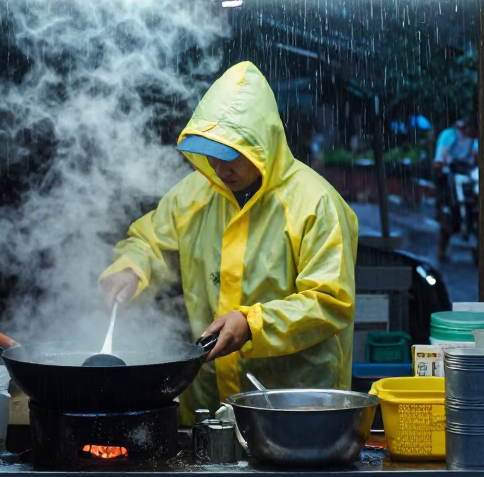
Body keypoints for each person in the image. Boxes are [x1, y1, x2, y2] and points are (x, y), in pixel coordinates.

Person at [99, 62, 358, 422]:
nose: (221, 170)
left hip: (294, 408)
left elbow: (330, 301)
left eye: (232, 154)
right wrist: (131, 268)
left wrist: (253, 324)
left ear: (261, 145)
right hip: (206, 402)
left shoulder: (315, 203)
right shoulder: (193, 195)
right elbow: (149, 241)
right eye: (212, 154)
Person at [434, 118, 478, 263]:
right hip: (449, 175)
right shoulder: (449, 135)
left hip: (467, 176)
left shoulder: (475, 140)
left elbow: (476, 155)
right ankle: (442, 248)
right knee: (448, 211)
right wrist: (441, 164)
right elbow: (441, 156)